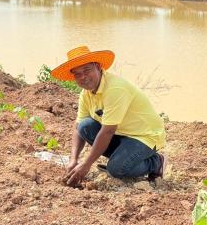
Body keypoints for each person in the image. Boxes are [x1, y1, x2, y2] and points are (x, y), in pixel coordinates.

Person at [51, 46, 166, 187]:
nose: (83, 77)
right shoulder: (86, 94)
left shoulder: (115, 89)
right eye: (77, 74)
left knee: (117, 169)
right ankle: (123, 158)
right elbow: (77, 128)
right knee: (85, 126)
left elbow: (108, 131)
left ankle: (156, 162)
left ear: (98, 67)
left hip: (144, 135)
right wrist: (73, 159)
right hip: (122, 134)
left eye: (87, 70)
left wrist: (86, 164)